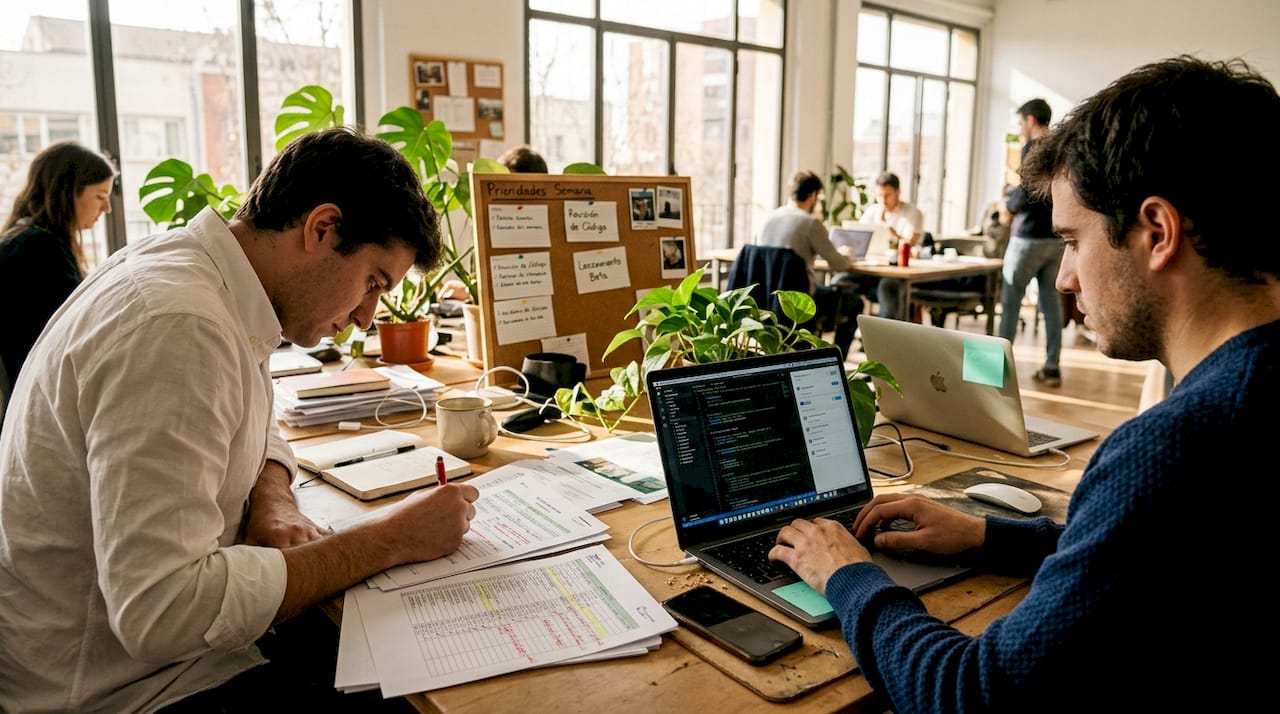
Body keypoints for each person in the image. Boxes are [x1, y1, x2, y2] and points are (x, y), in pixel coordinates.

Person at [767, 55, 1278, 711]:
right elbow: (1151, 551)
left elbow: (975, 693)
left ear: (1156, 231)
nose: (1064, 277)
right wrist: (985, 535)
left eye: (1072, 239)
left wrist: (848, 576)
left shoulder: (1174, 447)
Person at [0, 127, 482, 711]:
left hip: (157, 661)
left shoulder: (207, 278)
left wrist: (273, 496)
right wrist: (389, 539)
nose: (366, 316)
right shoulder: (178, 327)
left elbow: (252, 426)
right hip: (125, 691)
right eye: (373, 282)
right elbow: (162, 610)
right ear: (321, 228)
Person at [0, 140, 116, 397]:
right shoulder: (38, 248)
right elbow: (71, 336)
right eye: (100, 196)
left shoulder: (25, 238)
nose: (106, 208)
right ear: (67, 191)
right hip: (37, 394)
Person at [757, 170, 860, 356]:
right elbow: (839, 265)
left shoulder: (768, 218)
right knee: (854, 302)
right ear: (813, 195)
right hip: (800, 302)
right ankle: (837, 359)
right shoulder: (810, 223)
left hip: (767, 298)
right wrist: (844, 254)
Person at [998, 98, 1065, 386]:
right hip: (1056, 237)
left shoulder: (1033, 148)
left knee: (1010, 301)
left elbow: (1026, 189)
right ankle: (1052, 366)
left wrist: (1008, 207)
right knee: (1051, 303)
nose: (1020, 128)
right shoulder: (1062, 148)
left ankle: (998, 371)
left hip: (1027, 238)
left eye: (1021, 122)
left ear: (1031, 120)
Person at [840, 172, 924, 319]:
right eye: (879, 195)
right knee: (840, 282)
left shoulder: (912, 214)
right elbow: (860, 237)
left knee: (887, 287)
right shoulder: (872, 211)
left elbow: (910, 244)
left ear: (898, 192)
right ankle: (845, 338)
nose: (883, 200)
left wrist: (889, 229)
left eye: (887, 195)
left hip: (896, 272)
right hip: (870, 269)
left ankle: (884, 339)